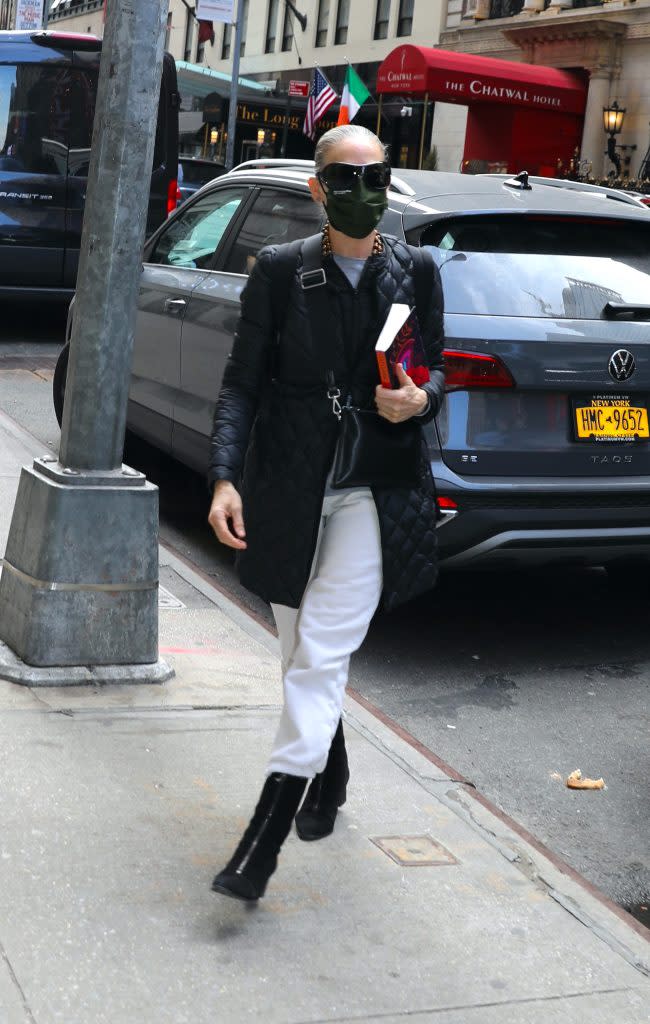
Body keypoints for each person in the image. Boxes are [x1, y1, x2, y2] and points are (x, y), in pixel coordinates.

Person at [207, 124, 445, 902]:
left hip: (374, 492)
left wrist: (417, 399)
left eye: (376, 175)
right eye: (346, 177)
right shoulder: (280, 273)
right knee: (299, 655)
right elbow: (242, 385)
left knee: (317, 657)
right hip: (289, 486)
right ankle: (330, 772)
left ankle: (260, 845)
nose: (363, 190)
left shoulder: (417, 273)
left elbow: (435, 372)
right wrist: (223, 479)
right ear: (318, 190)